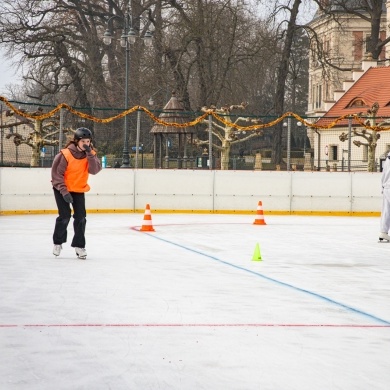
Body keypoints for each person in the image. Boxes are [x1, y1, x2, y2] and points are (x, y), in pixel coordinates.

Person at [51, 127, 102, 259]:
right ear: (77, 141)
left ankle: (79, 246)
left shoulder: (90, 153)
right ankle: (58, 242)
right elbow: (57, 175)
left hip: (78, 189)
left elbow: (95, 170)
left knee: (81, 218)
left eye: (88, 141)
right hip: (61, 189)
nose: (86, 144)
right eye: (83, 141)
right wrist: (64, 192)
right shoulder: (65, 154)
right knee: (65, 216)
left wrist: (90, 154)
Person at [380, 151, 390, 242]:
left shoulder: (387, 159)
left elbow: (383, 175)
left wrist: (382, 187)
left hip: (386, 187)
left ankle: (383, 232)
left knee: (386, 210)